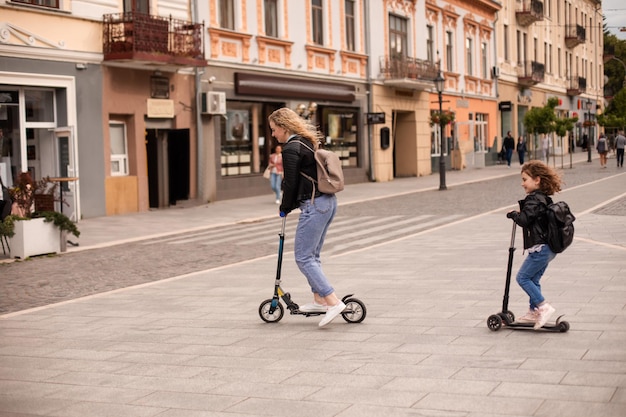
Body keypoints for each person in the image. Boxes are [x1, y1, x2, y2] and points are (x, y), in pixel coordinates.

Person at [268, 107, 345, 327]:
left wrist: (285, 207)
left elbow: (290, 182)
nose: (273, 134)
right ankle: (319, 299)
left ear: (283, 127)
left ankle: (332, 301)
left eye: (274, 130)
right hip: (327, 202)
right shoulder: (305, 142)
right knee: (313, 255)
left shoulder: (291, 148)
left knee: (303, 257)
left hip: (314, 204)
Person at [506, 161, 562, 329]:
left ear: (537, 180)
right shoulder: (544, 198)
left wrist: (514, 215)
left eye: (525, 179)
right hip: (548, 248)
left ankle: (543, 306)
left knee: (522, 278)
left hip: (540, 248)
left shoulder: (534, 199)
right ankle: (533, 311)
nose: (522, 183)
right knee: (533, 278)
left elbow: (524, 220)